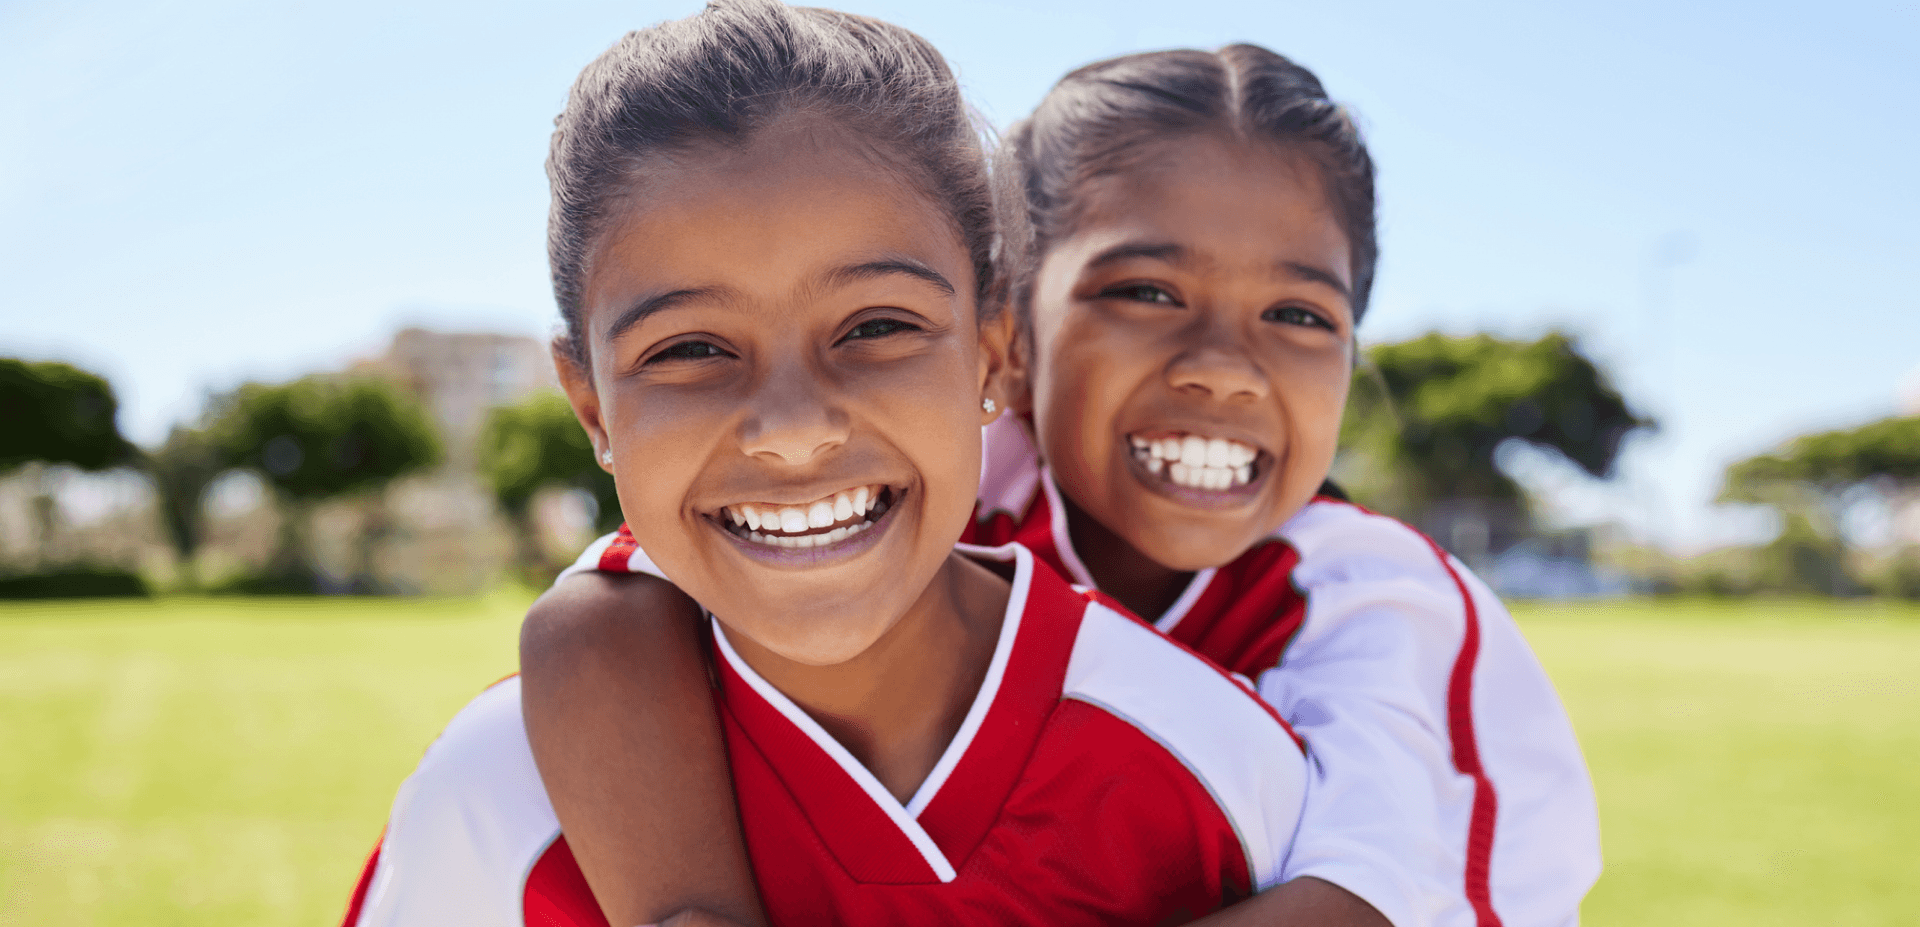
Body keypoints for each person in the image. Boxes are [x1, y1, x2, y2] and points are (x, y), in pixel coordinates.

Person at [521, 35, 1602, 927]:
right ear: (1009, 345)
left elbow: (1368, 902)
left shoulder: (1370, 598)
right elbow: (599, 622)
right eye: (1144, 290)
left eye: (1299, 315)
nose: (1223, 368)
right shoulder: (932, 472)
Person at [340, 3, 1331, 925]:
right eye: (689, 348)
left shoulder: (1217, 770)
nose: (792, 428)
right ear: (593, 410)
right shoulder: (501, 796)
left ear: (992, 355)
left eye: (876, 327)